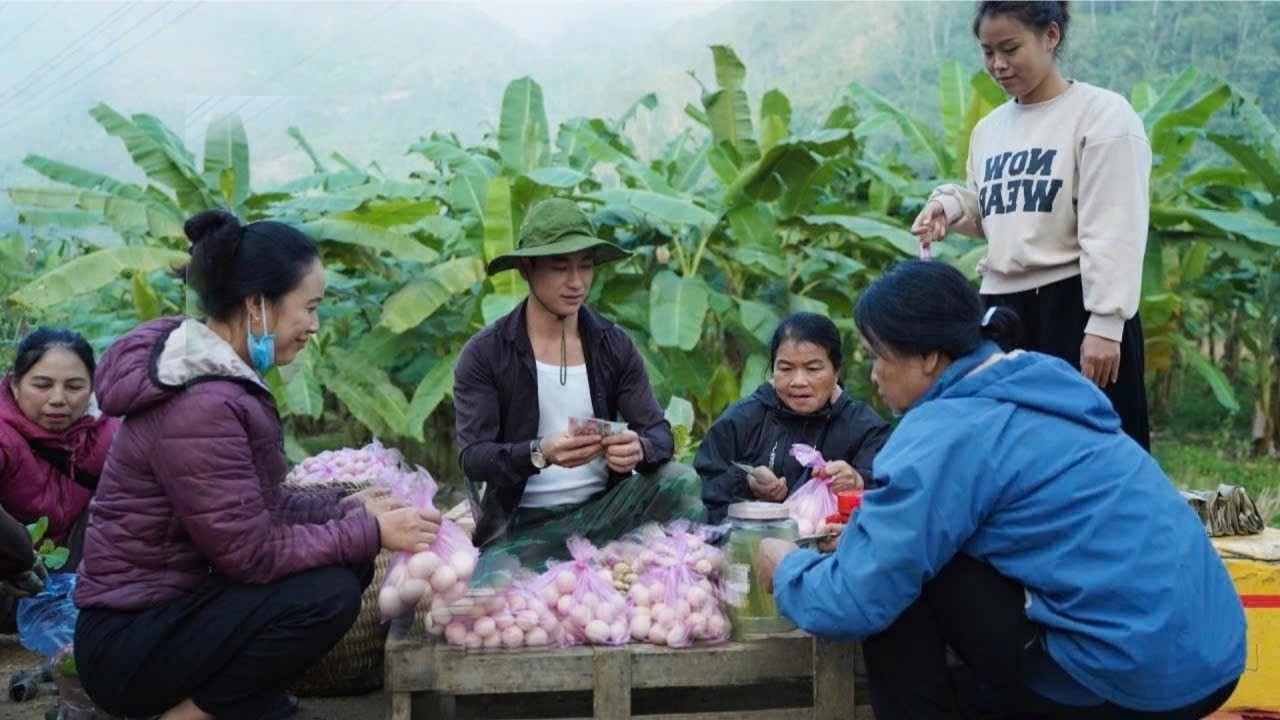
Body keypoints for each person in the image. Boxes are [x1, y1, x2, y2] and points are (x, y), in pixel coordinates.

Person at [757, 261, 1244, 720]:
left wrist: (787, 570)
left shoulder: (947, 430)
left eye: (880, 357)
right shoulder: (1038, 383)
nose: (874, 374)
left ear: (929, 358)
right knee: (916, 555)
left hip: (1130, 680)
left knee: (899, 587)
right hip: (1212, 658)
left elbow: (853, 600)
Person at [73, 210, 440, 720]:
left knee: (345, 561)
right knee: (327, 594)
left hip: (169, 612)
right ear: (257, 305)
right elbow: (250, 553)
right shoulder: (201, 404)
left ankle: (241, 701)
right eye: (309, 308)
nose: (314, 326)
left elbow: (259, 506)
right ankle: (191, 714)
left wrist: (345, 506)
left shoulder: (216, 378)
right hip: (130, 641)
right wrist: (370, 532)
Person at [911, 0, 1152, 450]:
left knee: (1092, 449)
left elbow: (1116, 225)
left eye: (1010, 49)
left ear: (1051, 36)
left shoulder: (1102, 115)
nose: (998, 65)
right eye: (988, 52)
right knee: (1010, 453)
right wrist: (951, 207)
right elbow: (1002, 215)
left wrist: (1105, 323)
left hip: (1073, 305)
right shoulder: (989, 130)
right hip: (1002, 309)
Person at [454, 198, 703, 573]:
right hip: (525, 525)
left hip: (605, 512)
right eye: (560, 267)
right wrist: (540, 452)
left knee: (680, 481)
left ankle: (687, 573)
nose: (577, 282)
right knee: (492, 597)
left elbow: (658, 432)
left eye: (586, 266)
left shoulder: (612, 344)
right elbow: (474, 457)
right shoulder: (486, 353)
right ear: (527, 268)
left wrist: (640, 448)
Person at [695, 312, 890, 523]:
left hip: (835, 541)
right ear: (773, 368)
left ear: (836, 370)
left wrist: (859, 482)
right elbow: (705, 485)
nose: (798, 381)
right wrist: (746, 482)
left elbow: (893, 496)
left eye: (812, 369)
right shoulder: (742, 419)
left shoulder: (865, 427)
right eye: (786, 368)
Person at [0, 328, 119, 629]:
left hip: (76, 582)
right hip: (11, 583)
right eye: (42, 385)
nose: (58, 399)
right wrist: (18, 559)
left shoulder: (109, 434)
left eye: (74, 386)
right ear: (14, 384)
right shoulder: (4, 436)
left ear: (92, 387)